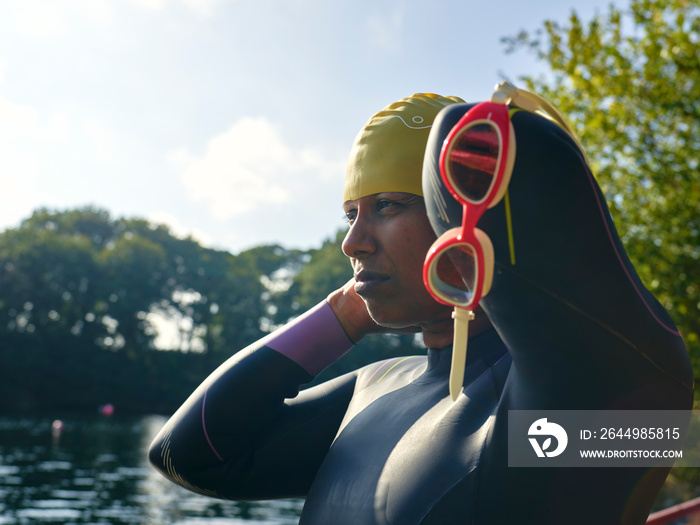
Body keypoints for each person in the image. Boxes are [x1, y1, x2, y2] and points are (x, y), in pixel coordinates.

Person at [148, 87, 693, 524]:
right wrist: (341, 317)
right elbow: (184, 455)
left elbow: (655, 422)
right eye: (351, 214)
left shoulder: (571, 397)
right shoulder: (373, 389)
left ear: (455, 212)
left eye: (385, 205)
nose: (352, 242)